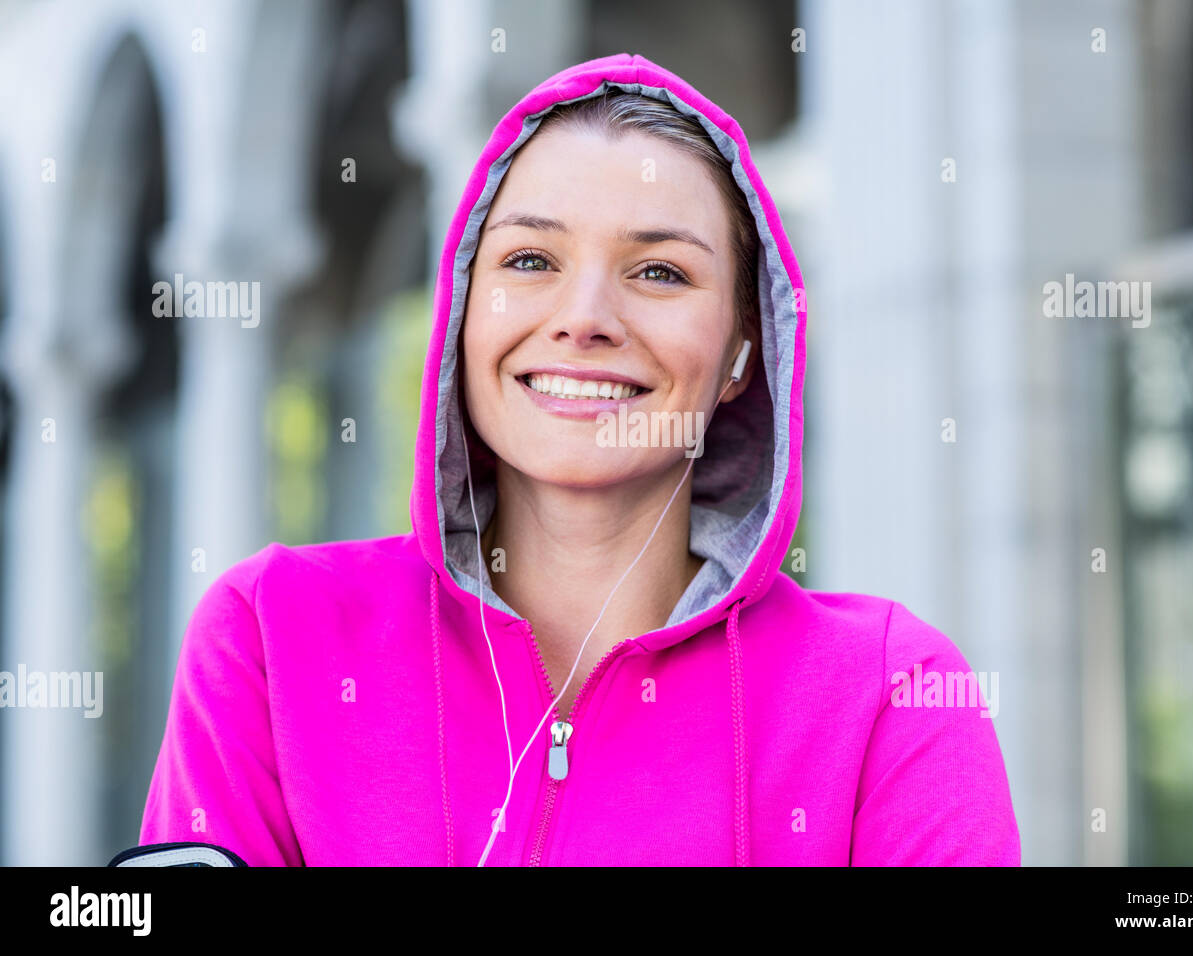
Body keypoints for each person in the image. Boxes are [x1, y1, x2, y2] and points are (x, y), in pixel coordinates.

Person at [139, 52, 1020, 865]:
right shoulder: (271, 637)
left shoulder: (888, 701)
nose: (584, 315)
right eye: (530, 259)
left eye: (660, 273)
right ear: (463, 311)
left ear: (744, 354)